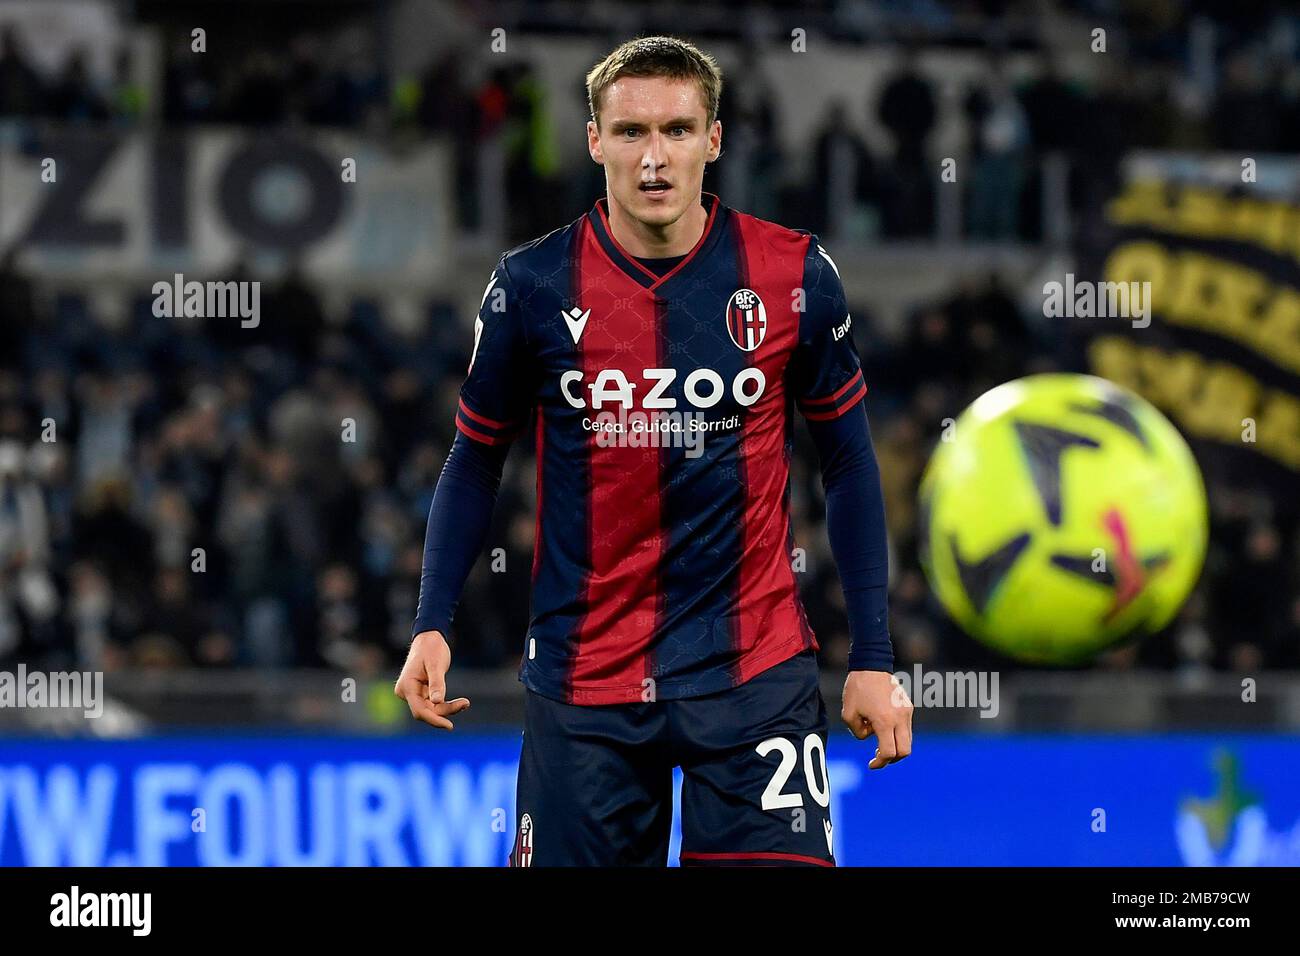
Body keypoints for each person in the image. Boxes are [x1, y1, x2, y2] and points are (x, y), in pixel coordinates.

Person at [394, 35, 912, 867]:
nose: (655, 157)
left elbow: (848, 463)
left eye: (677, 130)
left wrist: (875, 658)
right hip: (583, 682)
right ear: (595, 141)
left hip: (755, 673)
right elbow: (474, 456)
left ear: (714, 140)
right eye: (631, 133)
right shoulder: (531, 286)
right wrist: (431, 623)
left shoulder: (792, 275)